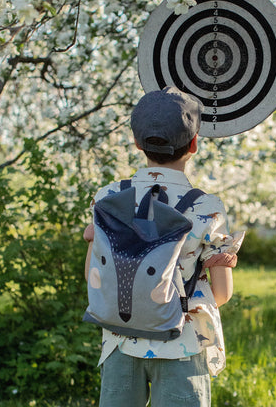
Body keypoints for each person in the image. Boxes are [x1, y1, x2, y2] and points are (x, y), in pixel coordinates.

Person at [83, 86, 244, 407]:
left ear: (137, 142)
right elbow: (222, 294)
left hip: (118, 341)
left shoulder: (109, 196)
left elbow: (92, 274)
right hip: (182, 343)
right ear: (194, 144)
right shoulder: (207, 207)